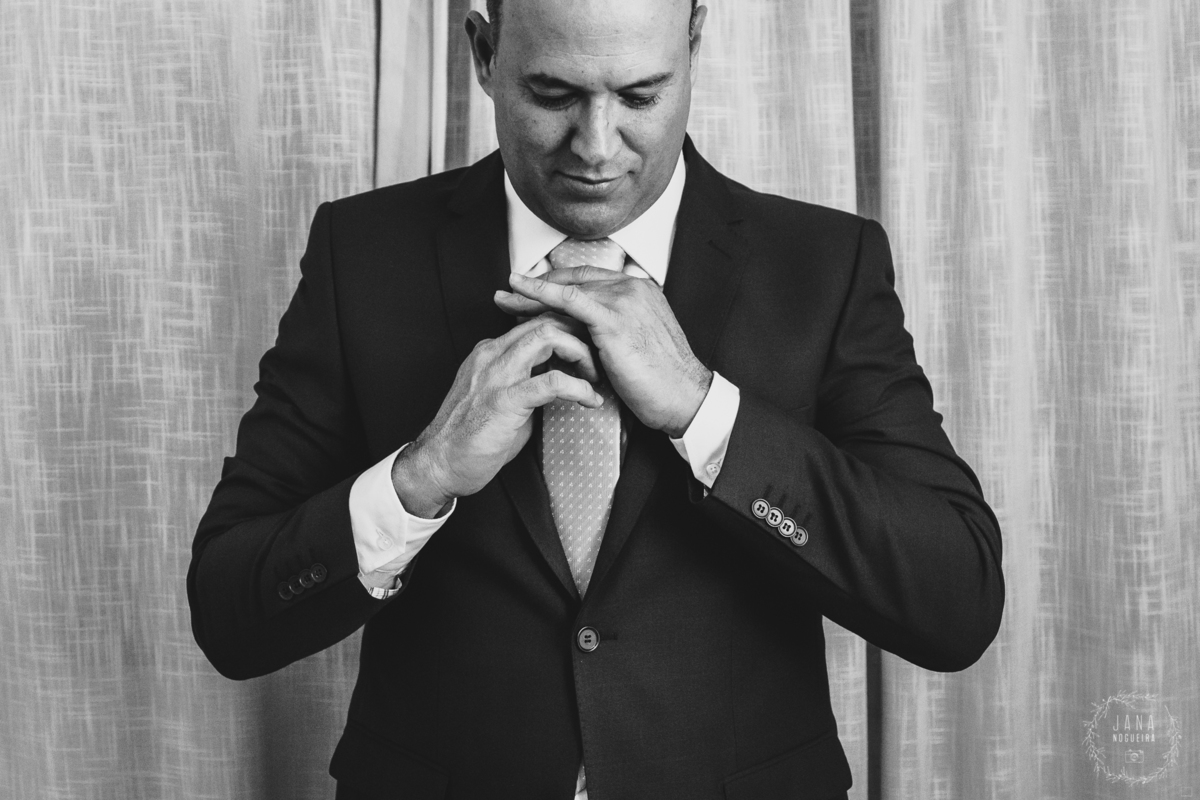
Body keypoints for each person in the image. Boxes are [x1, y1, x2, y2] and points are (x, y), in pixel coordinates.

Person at [188, 0, 1004, 797]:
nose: (596, 145)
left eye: (640, 96)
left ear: (694, 43)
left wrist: (705, 412)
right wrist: (422, 475)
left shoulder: (824, 265)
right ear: (484, 53)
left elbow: (955, 602)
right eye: (553, 94)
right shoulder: (362, 253)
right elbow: (230, 613)